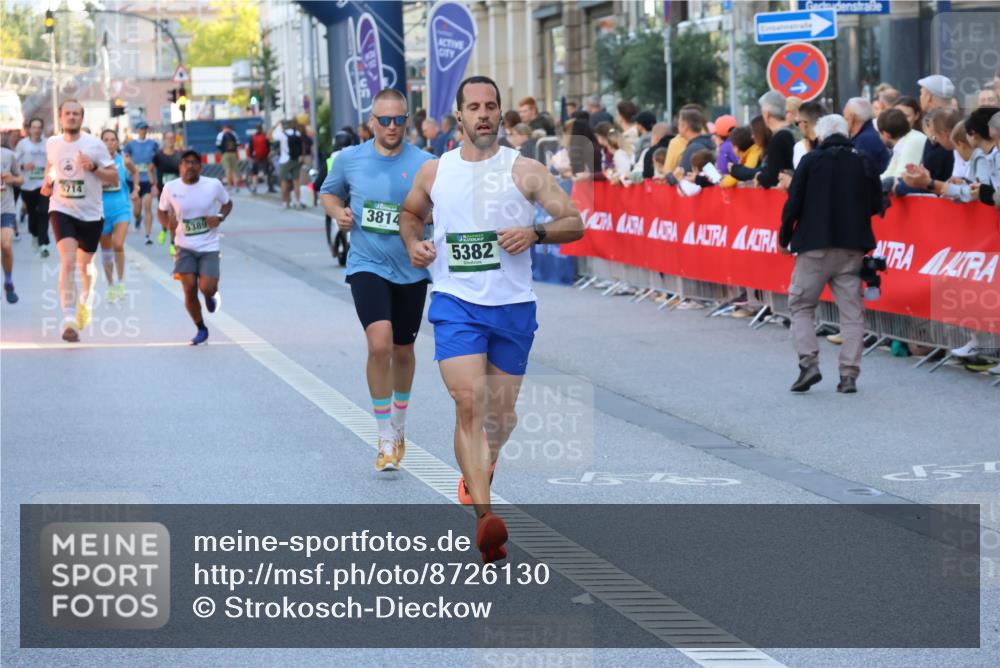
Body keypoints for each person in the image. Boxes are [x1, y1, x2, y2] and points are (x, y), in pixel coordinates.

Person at [399, 75, 583, 563]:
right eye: (473, 107)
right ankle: (486, 519)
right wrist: (413, 244)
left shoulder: (525, 170)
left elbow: (574, 222)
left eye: (491, 106)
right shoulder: (435, 173)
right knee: (468, 403)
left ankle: (487, 459)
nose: (483, 114)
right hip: (456, 302)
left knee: (498, 419)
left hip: (512, 306)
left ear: (500, 113)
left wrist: (536, 232)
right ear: (458, 116)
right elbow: (410, 216)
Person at [320, 88, 435, 473]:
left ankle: (400, 425)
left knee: (403, 350)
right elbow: (328, 193)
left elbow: (443, 208)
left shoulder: (426, 163)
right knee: (379, 344)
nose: (391, 127)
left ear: (407, 120)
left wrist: (427, 235)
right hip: (367, 263)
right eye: (383, 120)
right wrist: (339, 213)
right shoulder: (350, 159)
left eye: (398, 120)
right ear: (372, 122)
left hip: (410, 268)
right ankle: (384, 434)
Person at [779, 114, 883, 394]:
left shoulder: (811, 161)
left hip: (813, 246)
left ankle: (808, 364)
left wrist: (785, 237)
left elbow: (794, 203)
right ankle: (848, 375)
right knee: (852, 313)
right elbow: (878, 203)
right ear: (847, 133)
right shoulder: (863, 161)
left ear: (820, 136)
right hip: (852, 248)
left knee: (801, 306)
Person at [39, 99, 118, 342]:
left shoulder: (94, 145)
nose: (71, 117)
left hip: (91, 214)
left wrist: (93, 167)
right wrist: (48, 181)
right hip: (62, 208)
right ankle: (69, 319)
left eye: (76, 114)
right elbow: (52, 166)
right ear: (60, 118)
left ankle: (86, 297)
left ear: (82, 118)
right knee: (69, 262)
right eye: (67, 114)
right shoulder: (52, 143)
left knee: (85, 267)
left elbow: (113, 177)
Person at [158, 149, 232, 345]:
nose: (189, 166)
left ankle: (210, 295)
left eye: (193, 162)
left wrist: (219, 217)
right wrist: (168, 225)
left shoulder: (213, 185)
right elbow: (161, 211)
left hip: (209, 245)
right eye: (185, 162)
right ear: (180, 167)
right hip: (184, 246)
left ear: (200, 166)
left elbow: (227, 203)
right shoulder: (170, 187)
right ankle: (201, 328)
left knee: (206, 287)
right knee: (189, 288)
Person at [98, 129, 138, 303]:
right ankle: (111, 285)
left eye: (113, 139)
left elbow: (135, 172)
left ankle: (121, 282)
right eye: (106, 140)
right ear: (101, 143)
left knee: (118, 244)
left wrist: (136, 189)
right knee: (106, 251)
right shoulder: (95, 163)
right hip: (100, 212)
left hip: (121, 208)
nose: (109, 143)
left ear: (117, 142)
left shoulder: (124, 161)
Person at [15, 117, 51, 258]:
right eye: (34, 127)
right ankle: (35, 235)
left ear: (42, 129)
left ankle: (44, 244)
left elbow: (53, 160)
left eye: (39, 127)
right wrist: (24, 166)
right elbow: (15, 164)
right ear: (29, 129)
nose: (37, 130)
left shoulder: (47, 143)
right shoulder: (22, 145)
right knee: (32, 213)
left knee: (43, 212)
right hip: (27, 185)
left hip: (43, 184)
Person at [123, 121, 159, 239]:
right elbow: (125, 157)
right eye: (141, 129)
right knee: (137, 208)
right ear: (137, 130)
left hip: (147, 179)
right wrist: (129, 164)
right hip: (134, 180)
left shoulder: (153, 143)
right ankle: (138, 218)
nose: (143, 131)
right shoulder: (131, 144)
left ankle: (147, 233)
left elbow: (158, 158)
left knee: (148, 204)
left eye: (145, 128)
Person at [755, 91, 796, 189]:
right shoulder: (796, 131)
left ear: (766, 115)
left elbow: (773, 177)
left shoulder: (778, 139)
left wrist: (759, 177)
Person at [150, 130, 181, 253]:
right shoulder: (158, 155)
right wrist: (153, 185)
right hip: (163, 191)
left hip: (177, 192)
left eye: (172, 138)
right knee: (166, 215)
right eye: (167, 138)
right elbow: (149, 169)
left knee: (174, 217)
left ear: (175, 140)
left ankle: (173, 243)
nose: (170, 140)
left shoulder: (179, 156)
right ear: (164, 140)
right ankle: (164, 229)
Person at [2, 131, 23, 303]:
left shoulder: (8, 155)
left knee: (6, 246)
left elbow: (21, 179)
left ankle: (9, 282)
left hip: (5, 209)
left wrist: (12, 179)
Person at [844, 97, 891, 173]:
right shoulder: (868, 134)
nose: (844, 120)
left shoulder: (865, 139)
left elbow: (856, 172)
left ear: (852, 118)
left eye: (845, 117)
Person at [877, 108, 927, 178]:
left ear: (886, 134)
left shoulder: (913, 141)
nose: (879, 137)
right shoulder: (903, 142)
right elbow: (889, 173)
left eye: (879, 133)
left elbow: (900, 177)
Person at [793, 101, 825, 168]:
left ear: (804, 124)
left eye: (797, 123)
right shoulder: (834, 143)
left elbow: (800, 177)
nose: (798, 126)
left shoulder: (800, 147)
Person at [216, 123, 241, 192]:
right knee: (234, 170)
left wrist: (222, 150)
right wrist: (235, 150)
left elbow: (218, 144)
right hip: (233, 154)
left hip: (225, 154)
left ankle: (229, 186)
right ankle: (236, 186)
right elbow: (238, 143)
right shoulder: (233, 133)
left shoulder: (221, 134)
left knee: (227, 170)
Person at [249, 124, 272, 195]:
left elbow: (251, 148)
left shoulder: (253, 137)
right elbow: (268, 147)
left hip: (256, 157)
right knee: (266, 172)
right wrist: (268, 155)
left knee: (254, 173)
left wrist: (252, 156)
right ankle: (268, 187)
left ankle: (254, 188)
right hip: (265, 157)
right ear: (262, 128)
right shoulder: (265, 136)